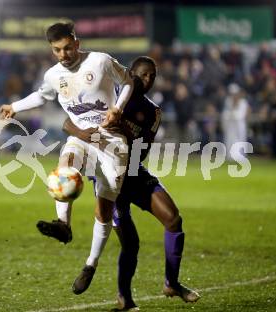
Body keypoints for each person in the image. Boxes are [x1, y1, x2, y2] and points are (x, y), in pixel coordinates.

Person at [53, 56, 200, 310]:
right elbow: (68, 123)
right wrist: (90, 135)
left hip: (133, 171)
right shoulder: (107, 95)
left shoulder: (152, 111)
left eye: (152, 76)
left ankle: (171, 283)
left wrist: (125, 133)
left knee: (174, 219)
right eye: (143, 75)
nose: (148, 80)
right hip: (110, 179)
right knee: (130, 243)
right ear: (130, 74)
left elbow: (141, 151)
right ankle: (124, 299)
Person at [0, 22, 134, 294]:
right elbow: (41, 96)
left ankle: (90, 264)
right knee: (64, 166)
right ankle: (63, 225)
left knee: (104, 210)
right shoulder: (52, 75)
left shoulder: (101, 61)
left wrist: (117, 109)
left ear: (77, 43)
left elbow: (128, 81)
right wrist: (15, 107)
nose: (63, 54)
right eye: (57, 50)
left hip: (112, 143)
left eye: (67, 47)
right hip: (81, 139)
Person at [221, 83, 249, 161]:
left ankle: (240, 156)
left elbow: (241, 115)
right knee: (229, 141)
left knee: (240, 141)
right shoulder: (228, 101)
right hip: (230, 127)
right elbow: (225, 114)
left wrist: (232, 114)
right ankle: (230, 157)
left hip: (239, 127)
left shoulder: (243, 102)